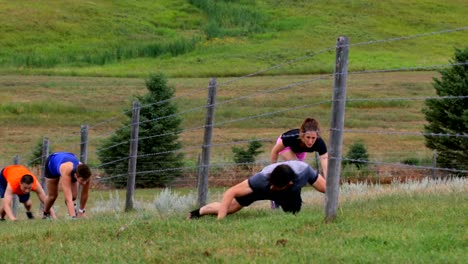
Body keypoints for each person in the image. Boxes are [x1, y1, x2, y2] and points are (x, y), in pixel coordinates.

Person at [187, 160, 326, 220]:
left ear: (289, 183)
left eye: (276, 186)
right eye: (272, 184)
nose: (273, 188)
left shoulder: (304, 172)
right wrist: (220, 220)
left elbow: (326, 188)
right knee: (230, 208)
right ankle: (199, 212)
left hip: (289, 192)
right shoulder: (261, 180)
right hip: (260, 190)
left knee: (294, 211)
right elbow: (230, 192)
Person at [270, 117, 328, 209]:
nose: (310, 141)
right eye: (308, 137)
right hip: (286, 147)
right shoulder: (292, 137)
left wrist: (328, 179)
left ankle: (293, 200)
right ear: (302, 135)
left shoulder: (319, 143)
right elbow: (275, 150)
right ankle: (276, 200)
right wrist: (273, 170)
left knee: (297, 175)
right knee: (298, 170)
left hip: (300, 151)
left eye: (313, 138)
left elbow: (324, 159)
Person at [43, 152, 91, 219]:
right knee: (53, 196)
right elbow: (68, 198)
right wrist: (73, 218)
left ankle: (73, 211)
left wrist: (81, 211)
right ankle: (46, 213)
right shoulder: (67, 170)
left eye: (86, 180)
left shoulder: (85, 173)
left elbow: (85, 194)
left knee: (74, 196)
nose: (85, 183)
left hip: (67, 158)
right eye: (82, 180)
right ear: (75, 176)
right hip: (52, 164)